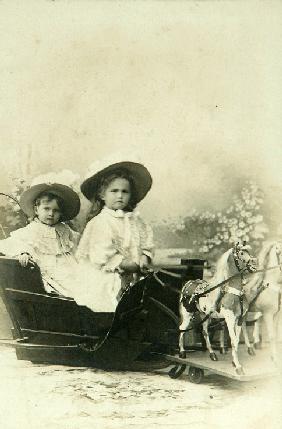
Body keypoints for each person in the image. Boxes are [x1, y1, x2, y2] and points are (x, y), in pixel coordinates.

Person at [75, 159, 154, 312]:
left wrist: (144, 257)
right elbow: (101, 258)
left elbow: (147, 242)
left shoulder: (135, 220)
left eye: (125, 192)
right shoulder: (101, 222)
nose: (120, 196)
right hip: (105, 276)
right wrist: (131, 265)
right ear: (102, 195)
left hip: (133, 276)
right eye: (114, 191)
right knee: (111, 303)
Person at [0, 183, 81, 296]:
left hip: (69, 265)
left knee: (84, 281)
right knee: (69, 286)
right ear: (36, 210)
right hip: (49, 268)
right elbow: (16, 242)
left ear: (61, 213)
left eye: (56, 210)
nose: (51, 214)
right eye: (46, 209)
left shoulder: (64, 229)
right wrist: (23, 252)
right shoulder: (33, 229)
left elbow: (78, 242)